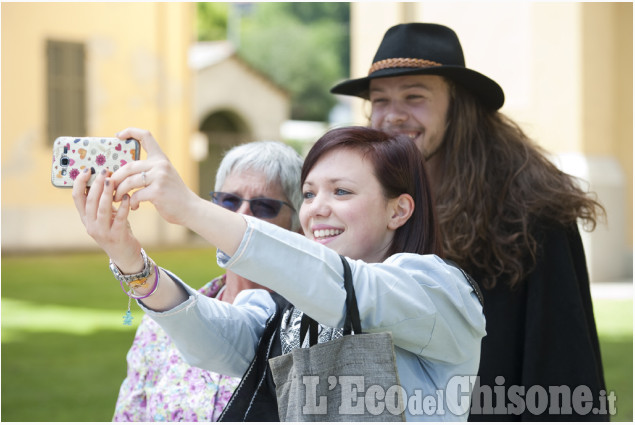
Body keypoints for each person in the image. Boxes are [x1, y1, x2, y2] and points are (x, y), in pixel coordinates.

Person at [72, 125, 486, 421]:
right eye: (309, 193)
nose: (317, 208)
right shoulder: (286, 309)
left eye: (341, 191)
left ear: (399, 209)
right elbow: (215, 341)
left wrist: (193, 208)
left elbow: (346, 287)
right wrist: (127, 255)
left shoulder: (436, 290)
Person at [330, 23, 607, 421]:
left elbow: (562, 356)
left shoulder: (529, 211)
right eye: (380, 100)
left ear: (457, 106)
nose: (392, 116)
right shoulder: (363, 202)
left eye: (414, 97)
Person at [111, 141, 304, 421]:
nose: (241, 215)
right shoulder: (160, 321)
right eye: (229, 201)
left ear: (296, 226)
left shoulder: (308, 331)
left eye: (264, 206)